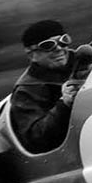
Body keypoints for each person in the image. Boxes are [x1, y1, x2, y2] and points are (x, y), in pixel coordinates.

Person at [9, 19, 83, 153]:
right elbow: (35, 138)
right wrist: (63, 104)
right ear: (32, 55)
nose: (59, 48)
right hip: (69, 150)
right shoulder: (26, 90)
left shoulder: (85, 59)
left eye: (63, 41)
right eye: (48, 45)